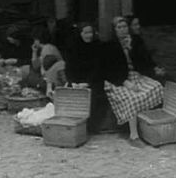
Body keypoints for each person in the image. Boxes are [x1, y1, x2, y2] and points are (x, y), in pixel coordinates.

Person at [102, 17, 164, 148]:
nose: (122, 30)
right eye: (119, 28)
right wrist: (125, 83)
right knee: (132, 98)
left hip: (135, 75)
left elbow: (143, 61)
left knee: (157, 87)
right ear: (114, 30)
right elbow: (109, 70)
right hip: (117, 80)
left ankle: (150, 126)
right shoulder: (109, 45)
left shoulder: (135, 41)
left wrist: (131, 49)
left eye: (124, 27)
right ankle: (133, 135)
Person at [65, 22, 108, 133]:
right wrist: (73, 81)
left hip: (93, 80)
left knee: (94, 96)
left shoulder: (97, 46)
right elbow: (69, 67)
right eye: (85, 33)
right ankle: (74, 127)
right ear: (80, 34)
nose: (89, 35)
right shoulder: (74, 46)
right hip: (77, 80)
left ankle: (89, 128)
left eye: (90, 32)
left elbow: (98, 68)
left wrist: (87, 83)